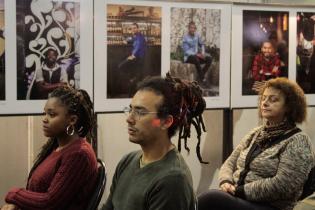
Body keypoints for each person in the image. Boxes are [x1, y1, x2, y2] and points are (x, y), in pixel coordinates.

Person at [198, 77, 314, 210]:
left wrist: (239, 190)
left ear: (289, 106)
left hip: (271, 206)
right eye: (263, 98)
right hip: (238, 197)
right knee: (212, 199)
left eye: (273, 99)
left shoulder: (298, 140)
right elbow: (229, 163)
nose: (264, 103)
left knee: (211, 199)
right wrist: (226, 181)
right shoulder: (255, 133)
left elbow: (283, 186)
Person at [102, 73, 208, 210]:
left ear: (165, 122)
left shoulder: (172, 179)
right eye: (130, 109)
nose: (129, 119)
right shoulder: (128, 161)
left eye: (140, 112)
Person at [1, 86, 98, 210]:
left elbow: (49, 203)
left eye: (52, 114)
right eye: (44, 113)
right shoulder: (59, 148)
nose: (44, 119)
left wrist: (14, 194)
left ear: (72, 120)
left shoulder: (78, 154)